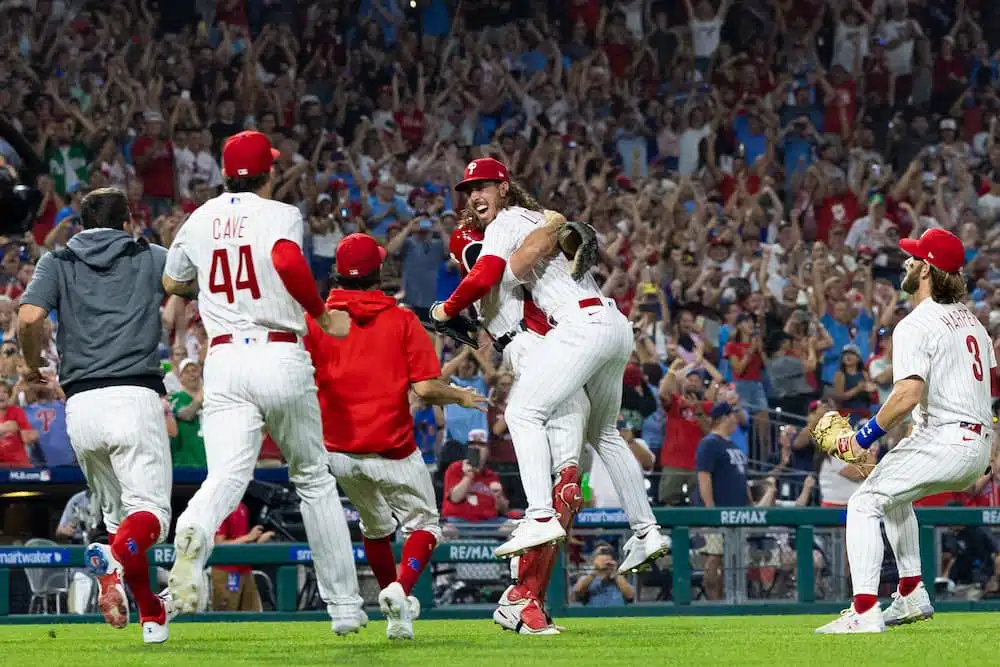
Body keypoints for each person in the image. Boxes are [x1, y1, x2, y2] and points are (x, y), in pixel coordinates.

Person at [161, 130, 365, 635]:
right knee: (314, 480)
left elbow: (171, 281)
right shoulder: (280, 214)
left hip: (224, 356)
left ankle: (194, 528)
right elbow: (286, 261)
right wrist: (320, 313)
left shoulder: (200, 217)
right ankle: (343, 608)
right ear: (269, 173)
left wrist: (208, 281)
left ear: (228, 174)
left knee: (226, 476)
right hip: (277, 350)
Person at [446, 217, 668, 634]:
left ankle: (528, 597)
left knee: (569, 485)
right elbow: (513, 262)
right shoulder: (488, 266)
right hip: (542, 354)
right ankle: (521, 596)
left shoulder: (487, 274)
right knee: (565, 487)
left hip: (558, 357)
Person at [430, 158, 656, 563]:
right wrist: (552, 227)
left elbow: (493, 272)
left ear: (503, 188)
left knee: (521, 414)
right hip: (608, 323)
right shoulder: (530, 222)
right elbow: (504, 260)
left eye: (483, 186)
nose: (475, 196)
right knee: (603, 435)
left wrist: (445, 310)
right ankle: (646, 530)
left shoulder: (506, 227)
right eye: (469, 190)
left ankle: (539, 515)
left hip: (567, 331)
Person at [304, 232, 487, 641]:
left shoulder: (316, 321)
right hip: (393, 449)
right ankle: (400, 590)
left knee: (375, 528)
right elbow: (424, 389)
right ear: (379, 273)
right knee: (424, 525)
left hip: (340, 452)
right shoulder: (402, 318)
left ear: (337, 272)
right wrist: (459, 394)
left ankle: (397, 618)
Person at [815, 228, 994, 634]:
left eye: (915, 257)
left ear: (927, 268)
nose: (908, 262)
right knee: (895, 497)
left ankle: (863, 610)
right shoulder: (974, 323)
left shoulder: (916, 323)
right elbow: (985, 387)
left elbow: (908, 394)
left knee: (863, 504)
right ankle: (911, 592)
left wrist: (858, 439)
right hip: (975, 443)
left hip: (948, 438)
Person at [17, 187, 176, 643]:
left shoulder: (58, 260)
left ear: (82, 223)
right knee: (149, 519)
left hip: (81, 406)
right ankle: (114, 557)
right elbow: (188, 282)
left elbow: (29, 317)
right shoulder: (147, 255)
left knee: (120, 519)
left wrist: (30, 368)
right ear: (128, 221)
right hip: (134, 394)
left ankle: (151, 616)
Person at [693, 401, 776, 600]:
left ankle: (734, 599)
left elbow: (742, 479)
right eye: (733, 415)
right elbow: (704, 477)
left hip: (738, 513)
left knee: (735, 559)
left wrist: (750, 505)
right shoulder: (709, 443)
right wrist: (710, 510)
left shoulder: (734, 446)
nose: (736, 419)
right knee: (714, 559)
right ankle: (715, 602)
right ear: (724, 417)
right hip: (719, 512)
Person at [211, 502, 272, 612]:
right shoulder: (223, 508)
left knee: (252, 614)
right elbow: (218, 544)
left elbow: (240, 541)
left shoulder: (243, 507)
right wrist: (249, 537)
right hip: (226, 571)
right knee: (225, 616)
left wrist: (257, 541)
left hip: (245, 570)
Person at [441, 430, 508, 522]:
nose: (476, 448)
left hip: (488, 522)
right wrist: (468, 477)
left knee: (511, 527)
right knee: (448, 529)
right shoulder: (455, 468)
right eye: (472, 444)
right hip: (459, 521)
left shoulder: (492, 475)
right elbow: (455, 498)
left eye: (481, 445)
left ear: (487, 451)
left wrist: (498, 496)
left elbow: (504, 510)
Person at [168, 359, 207, 468]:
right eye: (187, 372)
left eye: (194, 370)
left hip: (209, 462)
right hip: (185, 463)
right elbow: (186, 415)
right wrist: (199, 398)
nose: (191, 375)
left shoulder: (211, 400)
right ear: (180, 378)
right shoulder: (174, 398)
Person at [571, 543, 635, 607]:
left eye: (607, 553)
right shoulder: (586, 577)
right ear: (594, 559)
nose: (605, 557)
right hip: (594, 615)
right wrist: (595, 571)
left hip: (617, 615)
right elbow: (577, 593)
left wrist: (615, 573)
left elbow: (630, 595)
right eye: (602, 553)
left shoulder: (619, 577)